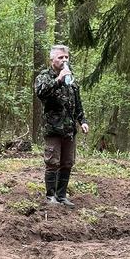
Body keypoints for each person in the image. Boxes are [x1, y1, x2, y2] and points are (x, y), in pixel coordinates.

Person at [34, 44, 89, 207]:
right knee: (53, 162)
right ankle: (50, 197)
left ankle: (61, 196)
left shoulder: (71, 79)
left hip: (69, 130)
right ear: (52, 60)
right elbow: (41, 93)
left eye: (66, 57)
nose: (64, 60)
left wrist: (83, 121)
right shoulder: (44, 76)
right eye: (60, 57)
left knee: (67, 162)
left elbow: (77, 103)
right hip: (53, 129)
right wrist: (59, 79)